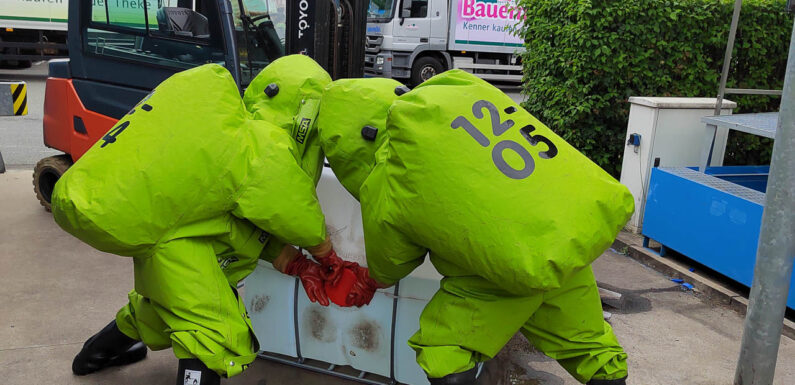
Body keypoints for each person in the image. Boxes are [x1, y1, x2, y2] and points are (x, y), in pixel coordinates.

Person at [317, 73, 635, 385]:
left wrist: (370, 280)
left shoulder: (389, 175)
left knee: (443, 353)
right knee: (590, 346)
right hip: (564, 238)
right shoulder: (451, 97)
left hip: (500, 274)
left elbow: (393, 261)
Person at [52, 55, 344, 385]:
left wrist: (294, 262)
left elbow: (240, 227)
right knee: (212, 330)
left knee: (159, 307)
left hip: (175, 237)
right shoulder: (264, 145)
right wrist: (326, 255)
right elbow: (292, 209)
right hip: (172, 244)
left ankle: (94, 354)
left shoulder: (227, 139)